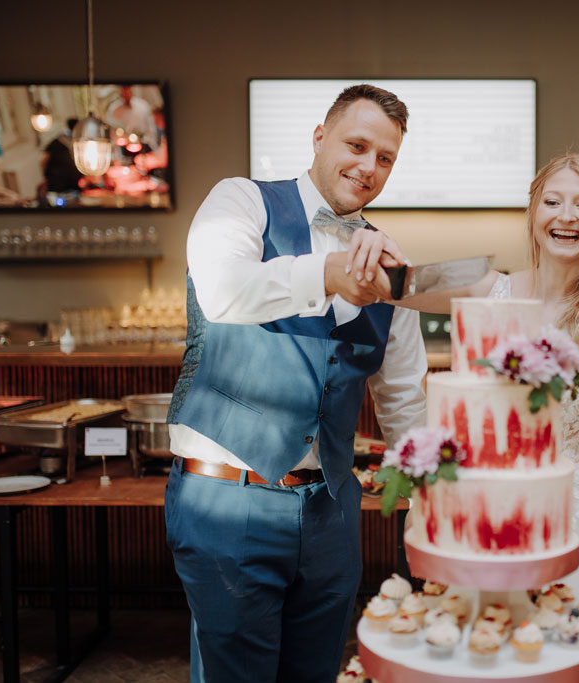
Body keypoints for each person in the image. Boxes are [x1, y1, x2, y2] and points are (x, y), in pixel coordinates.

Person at [164, 84, 427, 683]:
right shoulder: (241, 201)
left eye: (385, 158)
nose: (369, 167)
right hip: (227, 500)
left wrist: (427, 501)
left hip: (333, 512)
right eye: (356, 145)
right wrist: (329, 273)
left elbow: (404, 396)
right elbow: (224, 289)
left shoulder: (392, 266)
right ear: (319, 137)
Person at [406, 153, 579, 681]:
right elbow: (397, 283)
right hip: (484, 517)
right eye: (553, 201)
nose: (567, 216)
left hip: (577, 522)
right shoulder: (483, 287)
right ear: (532, 212)